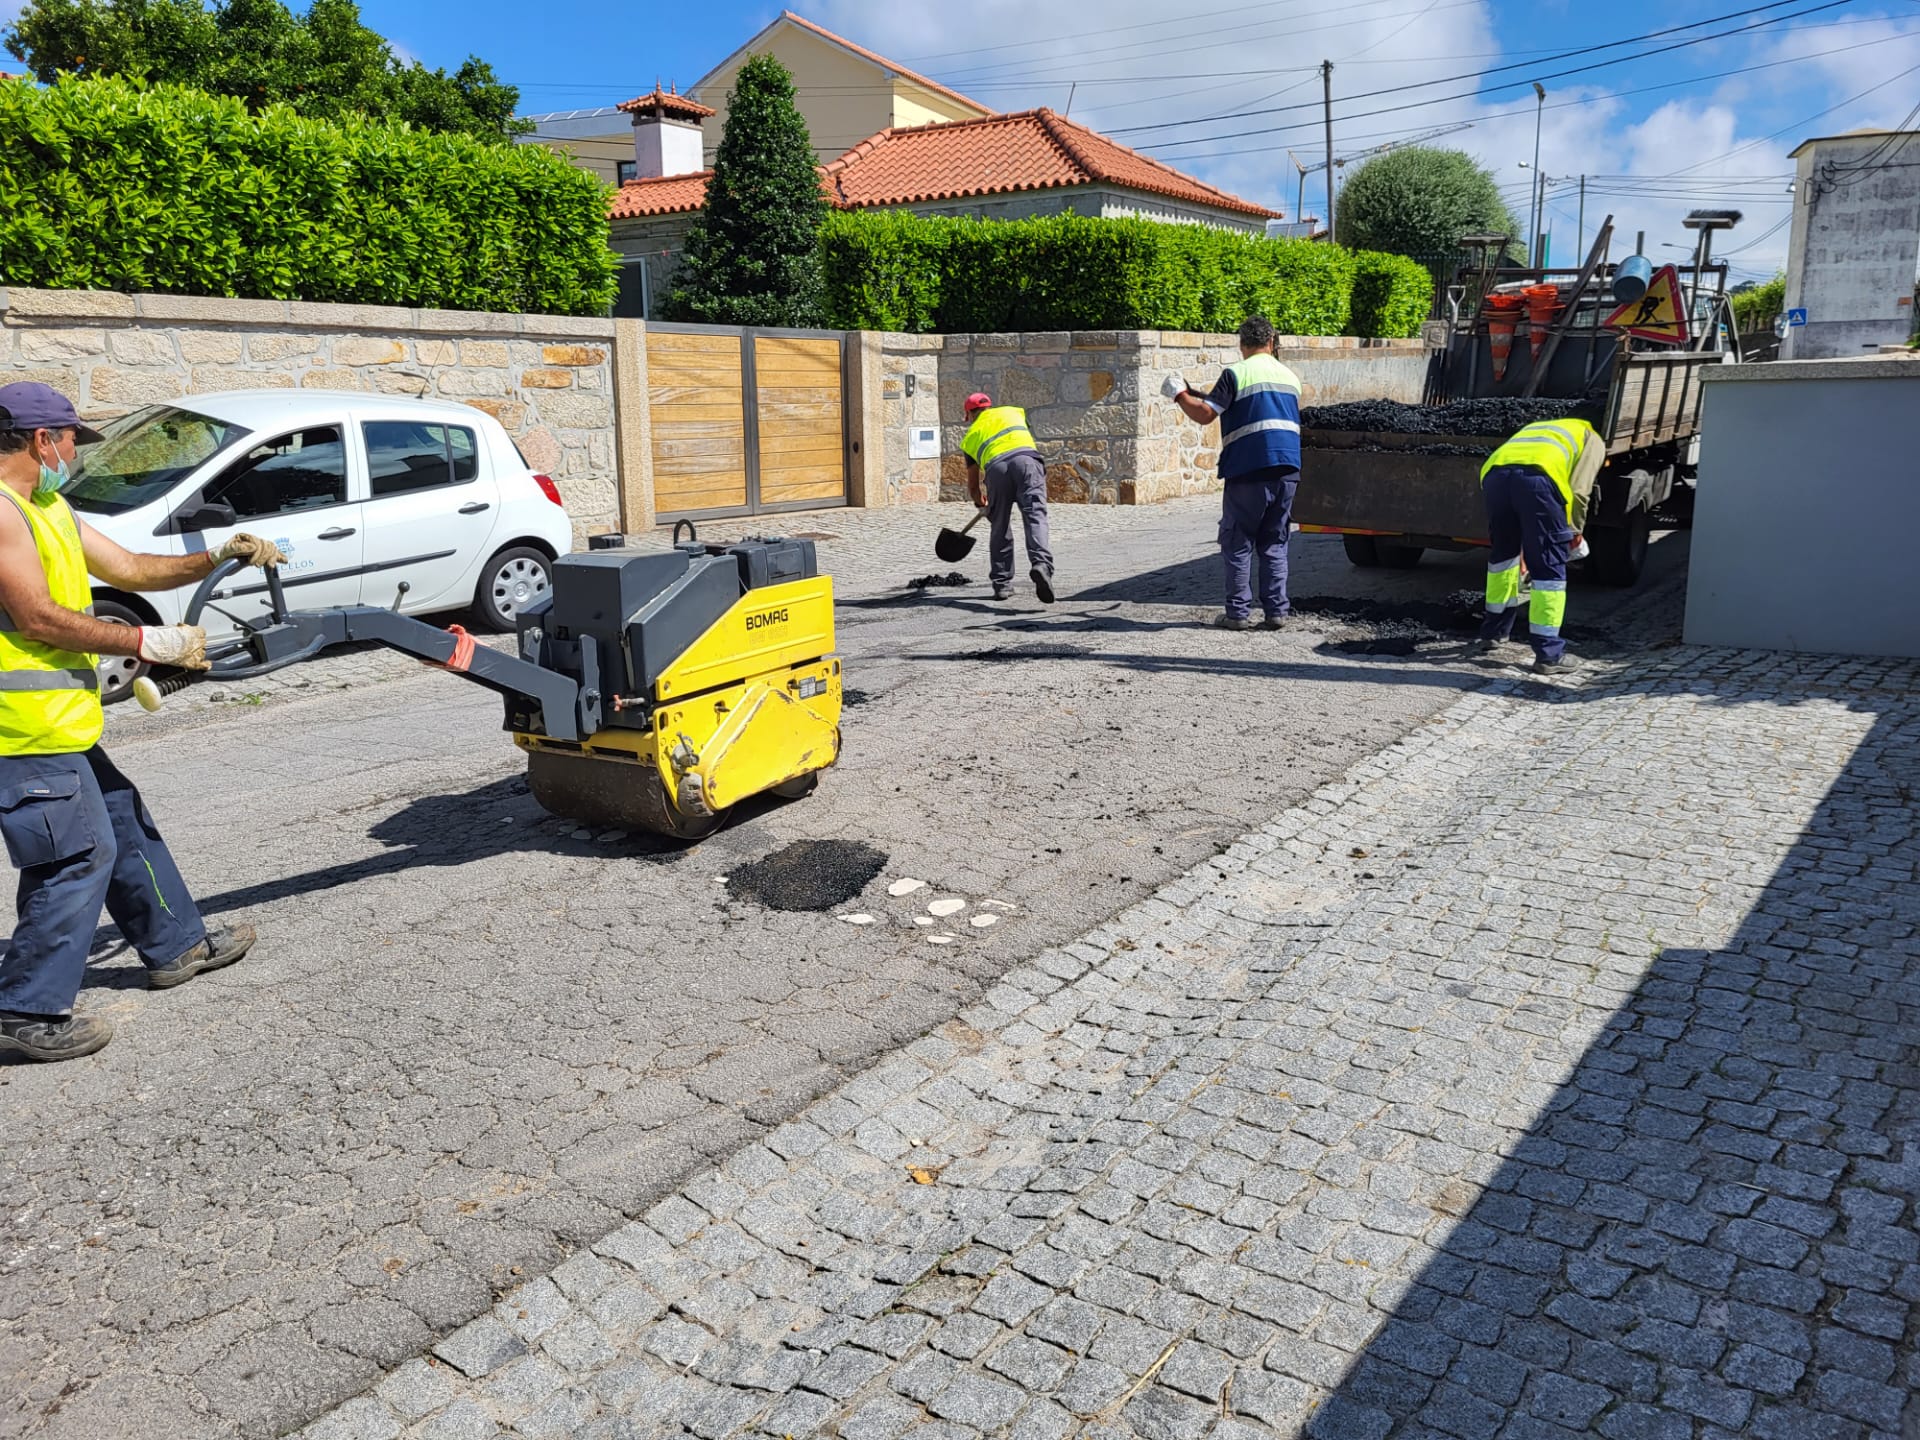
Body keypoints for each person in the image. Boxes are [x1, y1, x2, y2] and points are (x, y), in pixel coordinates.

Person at [0, 382, 284, 1062]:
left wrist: (216, 555)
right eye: (72, 439)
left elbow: (129, 566)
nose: (76, 451)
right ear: (43, 440)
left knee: (120, 819)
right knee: (75, 855)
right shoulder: (2, 514)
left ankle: (175, 944)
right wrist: (143, 644)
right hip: (16, 732)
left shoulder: (48, 506)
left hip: (55, 722)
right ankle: (25, 1008)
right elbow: (36, 617)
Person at [1168, 315, 1303, 629]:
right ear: (1271, 342)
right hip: (1287, 471)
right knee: (1274, 541)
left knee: (1238, 541)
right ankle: (1276, 612)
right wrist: (1202, 393)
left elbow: (1204, 415)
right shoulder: (1289, 377)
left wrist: (1179, 395)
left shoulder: (1235, 373)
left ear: (1242, 344)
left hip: (1248, 469)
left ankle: (1238, 614)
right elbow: (1255, 405)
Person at [1470, 415, 1604, 673]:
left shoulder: (1536, 429)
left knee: (1503, 560)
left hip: (1494, 478)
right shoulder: (1592, 438)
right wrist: (1574, 530)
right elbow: (1578, 491)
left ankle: (1493, 633)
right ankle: (1549, 653)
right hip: (1538, 482)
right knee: (1548, 569)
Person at [960, 392, 1054, 603]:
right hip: (1027, 462)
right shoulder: (1013, 413)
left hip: (996, 470)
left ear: (970, 414)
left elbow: (974, 486)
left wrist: (980, 503)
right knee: (1035, 517)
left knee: (999, 524)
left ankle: (1002, 584)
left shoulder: (971, 435)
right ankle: (1041, 565)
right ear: (989, 407)